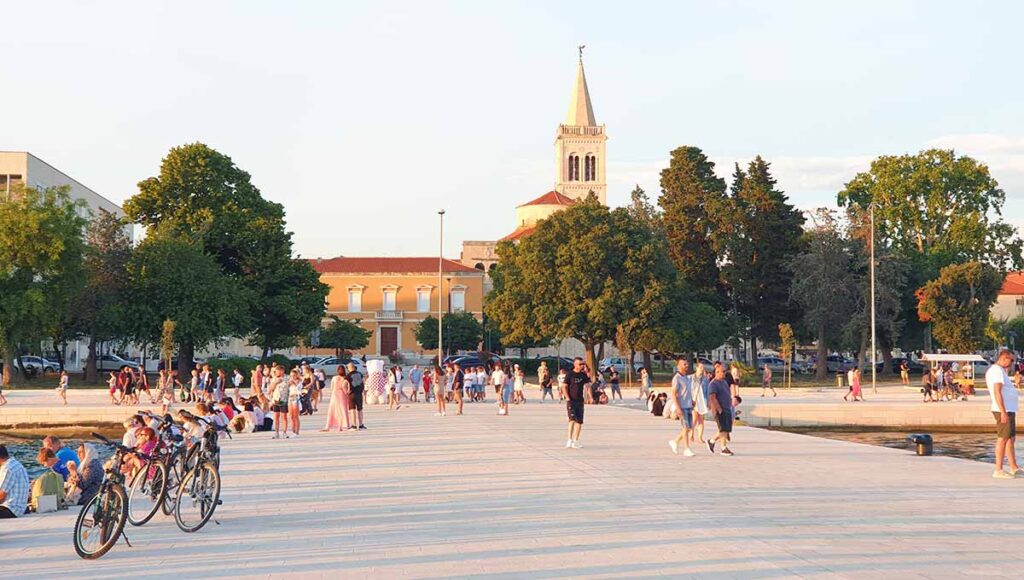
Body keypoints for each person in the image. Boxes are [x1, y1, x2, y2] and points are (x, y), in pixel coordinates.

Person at [987, 349, 1020, 479]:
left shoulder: (1000, 371)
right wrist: (1003, 412)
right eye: (1011, 360)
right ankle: (998, 469)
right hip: (1003, 410)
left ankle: (1013, 467)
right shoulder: (996, 371)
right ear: (1004, 358)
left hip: (1009, 409)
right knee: (1003, 438)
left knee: (1010, 438)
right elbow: (997, 392)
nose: (1012, 363)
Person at [668, 358, 695, 456]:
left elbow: (687, 391)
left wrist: (692, 400)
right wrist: (677, 407)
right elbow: (674, 394)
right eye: (684, 364)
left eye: (687, 364)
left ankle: (675, 442)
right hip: (682, 406)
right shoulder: (677, 378)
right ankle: (687, 449)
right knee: (685, 427)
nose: (686, 366)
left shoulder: (686, 378)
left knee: (688, 428)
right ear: (678, 366)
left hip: (688, 406)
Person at [707, 363, 735, 456]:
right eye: (723, 372)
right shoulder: (713, 384)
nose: (724, 373)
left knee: (725, 429)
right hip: (719, 409)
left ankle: (711, 441)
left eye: (725, 371)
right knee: (723, 429)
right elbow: (712, 398)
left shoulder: (724, 382)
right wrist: (719, 409)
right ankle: (723, 448)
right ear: (717, 372)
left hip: (727, 408)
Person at [562, 358, 590, 449]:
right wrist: (567, 398)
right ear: (575, 364)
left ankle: (575, 441)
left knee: (579, 421)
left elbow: (587, 385)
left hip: (580, 401)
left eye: (582, 364)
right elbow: (564, 386)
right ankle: (569, 440)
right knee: (572, 419)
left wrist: (590, 397)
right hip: (571, 400)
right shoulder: (570, 374)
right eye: (580, 364)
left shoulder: (583, 375)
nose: (582, 365)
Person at [29, 448, 65, 512]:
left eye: (44, 463)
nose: (44, 465)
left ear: (49, 459)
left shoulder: (54, 468)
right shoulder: (61, 462)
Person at [0, 444, 30, 518]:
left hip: (11, 508)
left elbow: (1, 496)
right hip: (20, 507)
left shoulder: (7, 469)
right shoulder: (16, 464)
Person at [323, 366, 352, 432]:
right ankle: (343, 425)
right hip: (342, 395)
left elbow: (331, 388)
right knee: (343, 410)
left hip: (334, 395)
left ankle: (328, 426)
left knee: (333, 410)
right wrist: (347, 394)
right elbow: (345, 388)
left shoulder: (334, 378)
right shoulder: (345, 378)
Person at [269, 366, 290, 439]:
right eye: (276, 371)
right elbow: (270, 389)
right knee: (276, 416)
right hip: (276, 399)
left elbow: (291, 386)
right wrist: (275, 382)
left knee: (284, 416)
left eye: (278, 371)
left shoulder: (287, 378)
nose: (277, 372)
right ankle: (276, 432)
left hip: (284, 399)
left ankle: (284, 432)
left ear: (282, 371)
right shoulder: (274, 378)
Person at [691, 363, 710, 444]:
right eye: (700, 367)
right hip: (694, 400)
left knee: (701, 420)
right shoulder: (691, 378)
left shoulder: (705, 379)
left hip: (702, 400)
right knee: (694, 419)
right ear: (697, 368)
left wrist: (708, 402)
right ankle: (691, 434)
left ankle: (700, 437)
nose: (702, 369)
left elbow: (708, 391)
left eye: (703, 367)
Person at [347, 363, 367, 430]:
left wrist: (347, 391)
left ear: (349, 368)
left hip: (351, 394)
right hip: (359, 393)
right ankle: (361, 425)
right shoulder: (360, 374)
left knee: (352, 410)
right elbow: (363, 382)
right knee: (360, 409)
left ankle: (354, 425)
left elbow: (346, 385)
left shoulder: (348, 376)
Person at [287, 369, 303, 437]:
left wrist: (294, 384)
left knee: (296, 416)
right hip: (290, 398)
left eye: (294, 375)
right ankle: (293, 431)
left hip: (296, 399)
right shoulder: (289, 382)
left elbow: (299, 391)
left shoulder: (299, 382)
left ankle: (297, 432)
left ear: (296, 375)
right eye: (291, 376)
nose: (293, 377)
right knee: (291, 416)